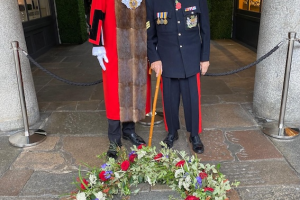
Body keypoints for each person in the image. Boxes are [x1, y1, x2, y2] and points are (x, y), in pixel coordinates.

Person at [146, 0, 210, 153]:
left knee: (192, 100)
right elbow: (148, 34)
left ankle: (194, 134)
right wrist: (154, 58)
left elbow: (205, 30)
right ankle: (171, 132)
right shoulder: (153, 2)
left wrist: (205, 57)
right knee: (169, 100)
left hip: (191, 58)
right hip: (167, 60)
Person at [89, 0, 148, 158]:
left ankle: (129, 131)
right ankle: (114, 139)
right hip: (114, 49)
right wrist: (98, 44)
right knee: (114, 94)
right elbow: (96, 12)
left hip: (137, 50)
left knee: (133, 91)